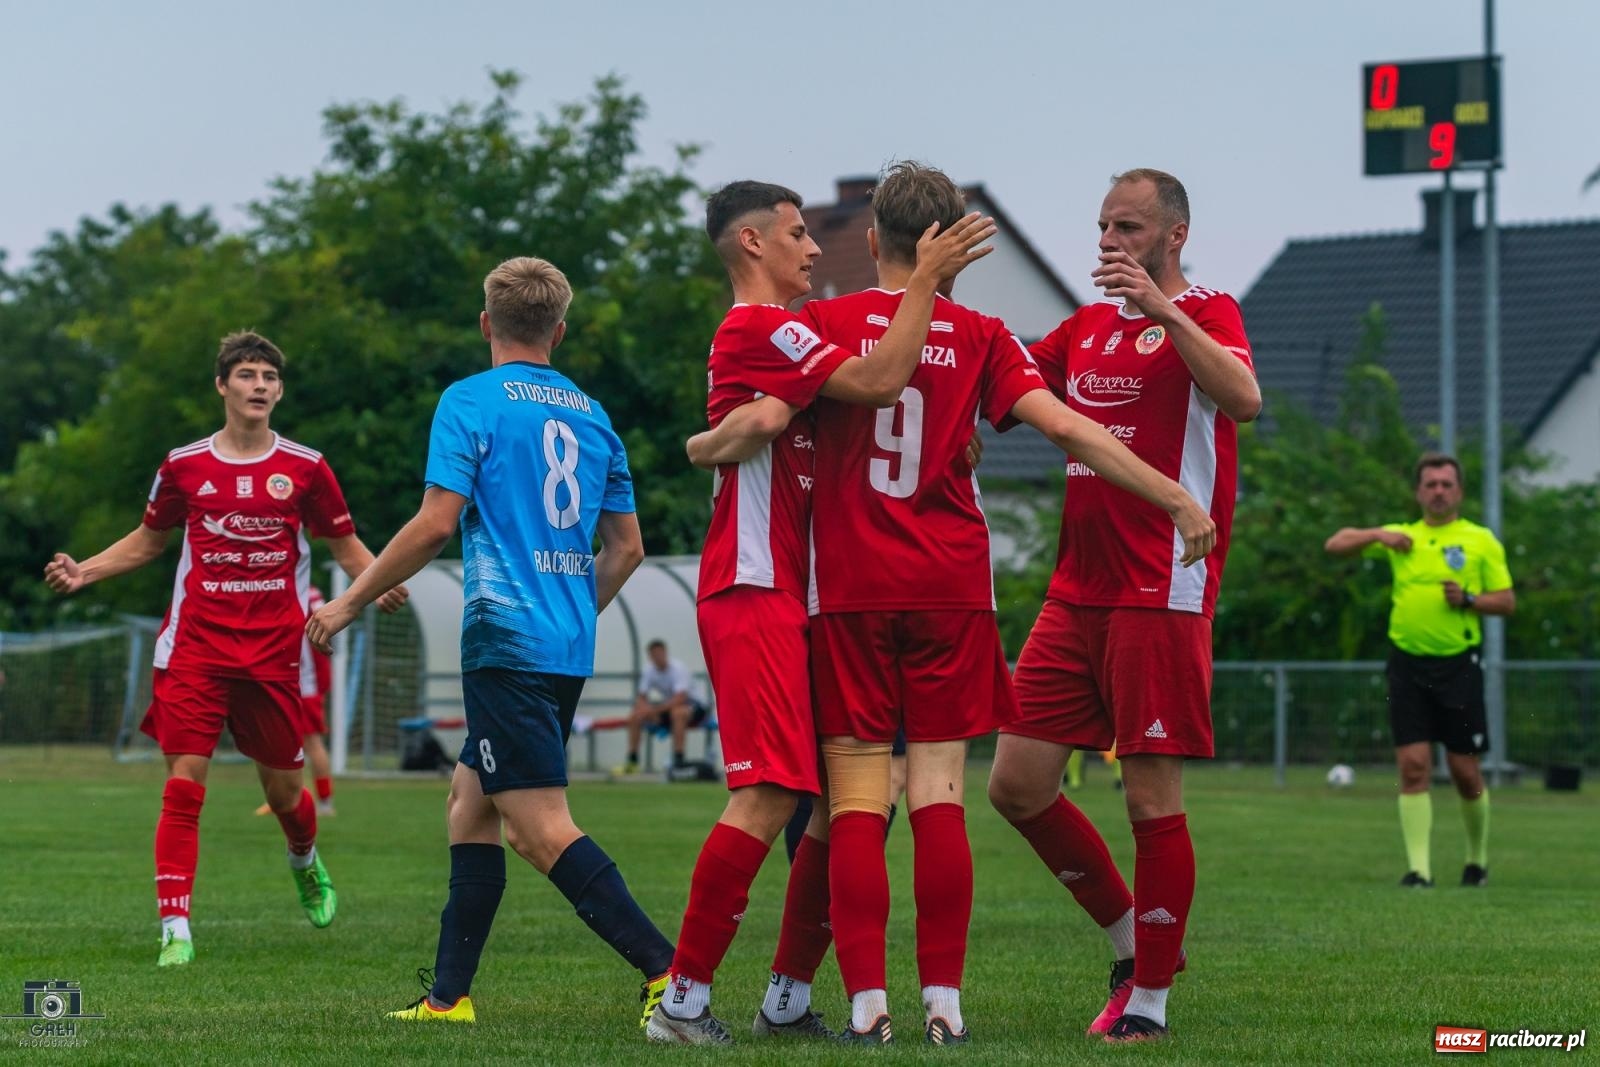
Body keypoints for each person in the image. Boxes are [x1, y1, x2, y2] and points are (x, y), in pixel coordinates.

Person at [688, 162, 1216, 1045]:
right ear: (955, 252)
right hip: (952, 591)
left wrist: (702, 439)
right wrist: (1172, 494)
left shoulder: (817, 323)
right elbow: (1070, 428)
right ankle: (945, 1003)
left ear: (870, 240)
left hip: (849, 589)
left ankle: (864, 1005)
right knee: (938, 795)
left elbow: (770, 417)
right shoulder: (980, 334)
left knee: (855, 798)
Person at [644, 180, 996, 1046]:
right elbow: (879, 381)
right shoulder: (765, 327)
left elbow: (767, 418)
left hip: (799, 598)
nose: (814, 248)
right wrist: (927, 280)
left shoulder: (787, 340)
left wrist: (721, 435)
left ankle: (789, 996)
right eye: (800, 234)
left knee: (843, 808)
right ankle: (681, 1001)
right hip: (756, 587)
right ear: (754, 244)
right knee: (769, 795)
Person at [306, 256, 676, 1026]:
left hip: (505, 644)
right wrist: (574, 612)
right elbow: (628, 549)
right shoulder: (593, 414)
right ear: (560, 330)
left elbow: (437, 522)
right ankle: (449, 998)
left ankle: (670, 975)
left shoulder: (469, 401)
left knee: (538, 829)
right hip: (565, 647)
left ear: (486, 324)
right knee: (468, 801)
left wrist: (346, 602)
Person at [986, 168, 1261, 1043]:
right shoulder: (1086, 328)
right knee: (1016, 785)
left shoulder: (1209, 311)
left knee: (1150, 800)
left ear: (1175, 235)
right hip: (1075, 591)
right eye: (1104, 226)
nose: (1111, 242)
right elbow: (1016, 385)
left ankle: (1149, 1002)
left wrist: (1163, 309)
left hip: (1162, 590)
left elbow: (1244, 399)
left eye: (1130, 228)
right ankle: (1130, 938)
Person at [42, 330, 409, 967]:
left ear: (279, 390)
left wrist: (374, 584)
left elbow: (343, 545)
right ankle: (175, 928)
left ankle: (304, 859)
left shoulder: (307, 467)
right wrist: (87, 571)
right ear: (222, 386)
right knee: (185, 786)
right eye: (246, 374)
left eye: (269, 375)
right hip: (193, 651)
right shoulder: (183, 465)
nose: (259, 385)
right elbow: (148, 540)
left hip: (273, 656)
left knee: (288, 793)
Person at [1324, 452, 1514, 889]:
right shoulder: (1402, 538)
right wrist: (1378, 534)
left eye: (1447, 484)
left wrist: (1468, 600)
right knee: (1412, 766)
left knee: (1465, 772)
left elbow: (1506, 601)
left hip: (1459, 667)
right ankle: (1419, 871)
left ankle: (1477, 860)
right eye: (1431, 484)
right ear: (1419, 492)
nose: (1439, 491)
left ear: (1459, 491)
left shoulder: (1480, 540)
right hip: (1406, 664)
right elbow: (1334, 545)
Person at [255, 584, 337, 817]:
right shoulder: (275, 588)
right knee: (276, 741)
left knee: (311, 741)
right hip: (279, 679)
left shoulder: (307, 593)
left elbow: (327, 624)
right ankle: (285, 798)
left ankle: (325, 803)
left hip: (305, 682)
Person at [614, 639, 710, 775]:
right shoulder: (649, 670)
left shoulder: (678, 669)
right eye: (654, 654)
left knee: (678, 713)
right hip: (670, 708)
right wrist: (645, 710)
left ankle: (678, 759)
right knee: (635, 716)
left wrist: (653, 710)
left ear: (665, 653)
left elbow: (680, 698)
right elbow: (641, 697)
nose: (658, 657)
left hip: (696, 707)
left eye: (660, 653)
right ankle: (632, 761)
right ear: (650, 656)